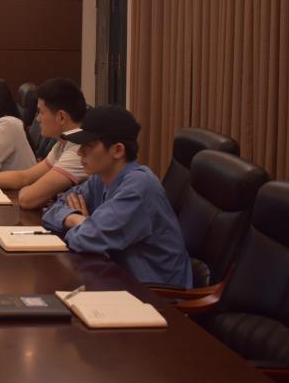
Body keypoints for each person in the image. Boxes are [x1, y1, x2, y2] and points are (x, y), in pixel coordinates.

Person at [42, 105, 193, 289]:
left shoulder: (139, 188)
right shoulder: (100, 178)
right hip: (118, 278)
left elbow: (83, 240)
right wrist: (78, 219)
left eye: (88, 145)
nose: (80, 152)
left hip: (155, 293)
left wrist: (82, 226)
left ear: (118, 150)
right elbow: (52, 211)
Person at [0, 78, 87, 208]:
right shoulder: (62, 145)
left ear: (61, 117)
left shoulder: (78, 151)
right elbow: (24, 177)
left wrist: (29, 189)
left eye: (41, 113)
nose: (37, 119)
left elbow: (27, 198)